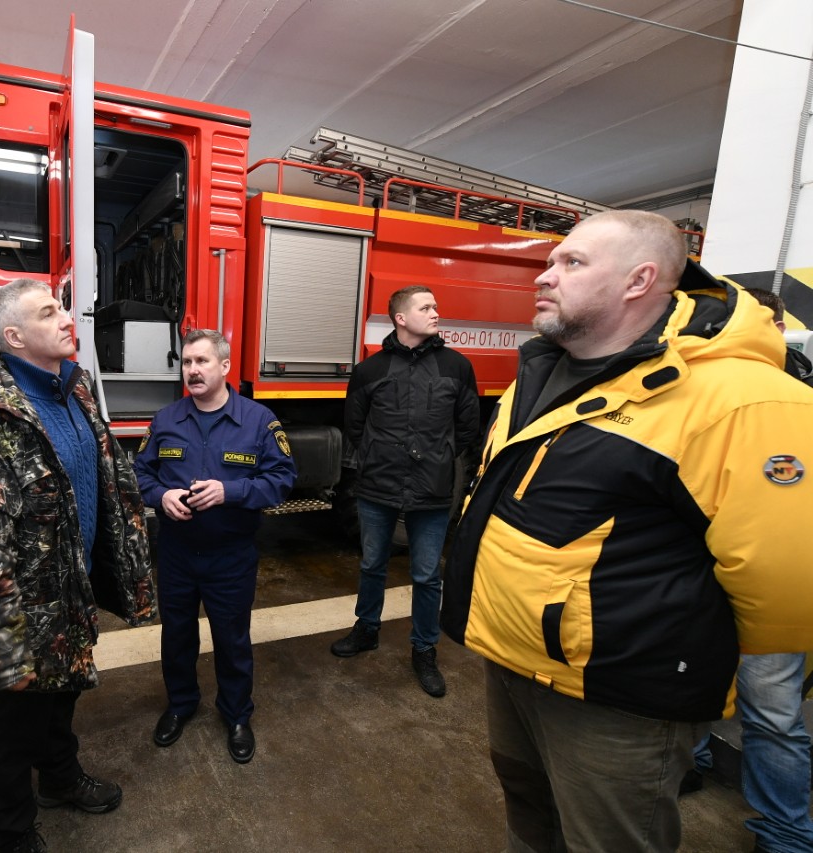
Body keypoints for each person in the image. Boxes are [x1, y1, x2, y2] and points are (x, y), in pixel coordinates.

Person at [439, 210, 813, 852]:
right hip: (511, 662)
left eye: (571, 263)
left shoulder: (745, 401)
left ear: (640, 280)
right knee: (530, 817)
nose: (544, 275)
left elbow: (786, 584)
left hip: (617, 697)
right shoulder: (539, 371)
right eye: (552, 260)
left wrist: (682, 663)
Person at [0, 278, 157, 853]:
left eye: (62, 307)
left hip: (73, 588)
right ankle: (12, 835)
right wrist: (0, 648)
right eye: (49, 313)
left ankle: (60, 781)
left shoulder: (75, 390)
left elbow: (102, 478)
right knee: (17, 726)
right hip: (26, 609)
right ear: (14, 336)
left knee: (65, 694)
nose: (68, 319)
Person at [684, 287, 813, 853]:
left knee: (772, 714)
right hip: (725, 574)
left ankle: (785, 832)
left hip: (767, 583)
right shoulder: (690, 389)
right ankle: (698, 763)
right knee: (704, 691)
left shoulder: (794, 394)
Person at [133, 329, 297, 764]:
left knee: (232, 639)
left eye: (202, 361)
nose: (193, 370)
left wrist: (231, 492)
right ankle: (181, 704)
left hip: (231, 556)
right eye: (187, 362)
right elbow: (139, 474)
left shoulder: (260, 421)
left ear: (225, 366)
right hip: (177, 555)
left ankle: (237, 715)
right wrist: (160, 496)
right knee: (177, 636)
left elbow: (281, 481)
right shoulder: (166, 420)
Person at [329, 285, 479, 699]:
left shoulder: (457, 367)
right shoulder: (370, 371)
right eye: (426, 306)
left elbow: (468, 428)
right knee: (372, 564)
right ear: (400, 318)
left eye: (435, 304)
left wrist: (440, 458)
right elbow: (354, 428)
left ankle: (424, 649)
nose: (436, 312)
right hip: (378, 487)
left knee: (428, 575)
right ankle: (366, 629)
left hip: (432, 490)